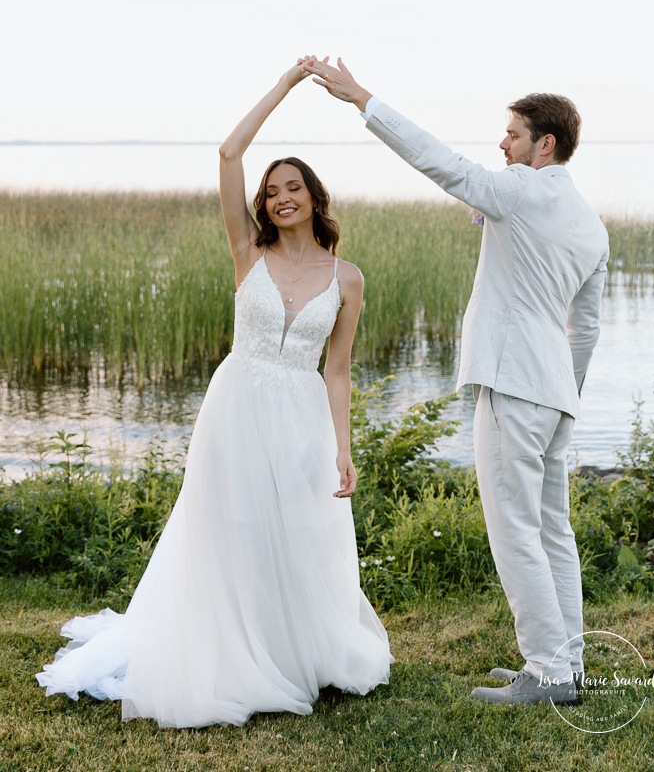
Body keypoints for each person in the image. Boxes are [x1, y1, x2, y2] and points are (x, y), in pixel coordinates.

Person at [36, 61, 392, 727]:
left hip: (300, 416)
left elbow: (336, 371)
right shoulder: (246, 251)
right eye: (272, 190)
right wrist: (286, 84)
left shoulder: (348, 278)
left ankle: (290, 653)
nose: (281, 197)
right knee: (232, 526)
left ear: (314, 197)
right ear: (263, 204)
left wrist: (345, 448)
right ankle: (229, 654)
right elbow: (228, 151)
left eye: (294, 187)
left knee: (296, 533)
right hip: (237, 406)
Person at [305, 55, 609, 706]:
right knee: (552, 528)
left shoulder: (523, 191)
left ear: (544, 143)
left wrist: (362, 98)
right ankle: (565, 662)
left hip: (512, 383)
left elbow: (439, 161)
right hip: (554, 393)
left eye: (511, 134)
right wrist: (567, 390)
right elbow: (584, 330)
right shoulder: (590, 221)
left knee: (515, 530)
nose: (501, 144)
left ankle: (548, 674)